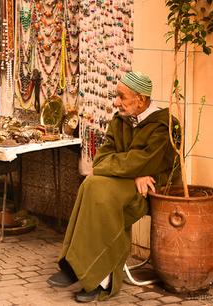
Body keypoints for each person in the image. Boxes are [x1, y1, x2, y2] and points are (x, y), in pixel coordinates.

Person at [47, 71, 179, 302]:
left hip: (151, 190)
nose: (115, 102)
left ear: (141, 99)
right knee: (91, 184)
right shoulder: (121, 120)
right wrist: (135, 172)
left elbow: (145, 162)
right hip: (128, 181)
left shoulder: (164, 126)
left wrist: (137, 169)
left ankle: (100, 279)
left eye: (121, 96)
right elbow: (102, 159)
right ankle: (77, 265)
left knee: (100, 191)